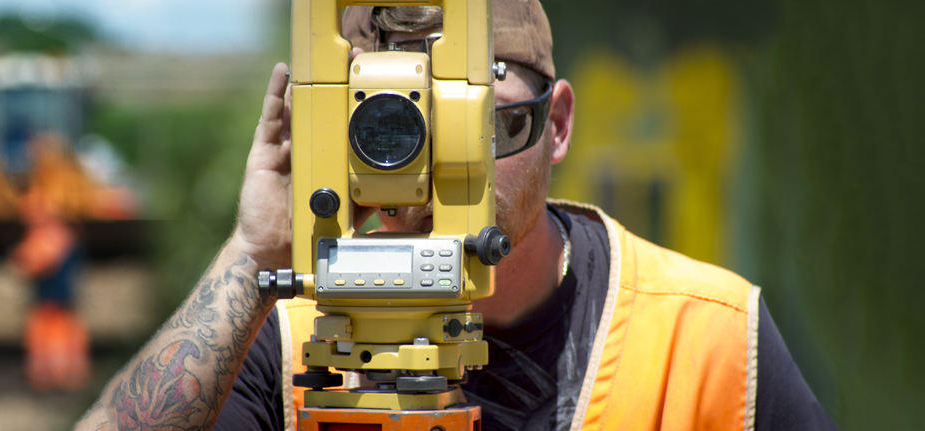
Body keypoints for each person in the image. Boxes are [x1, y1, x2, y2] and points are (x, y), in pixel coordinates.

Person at [76, 1, 837, 430]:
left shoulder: (705, 335)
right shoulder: (289, 331)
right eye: (390, 130)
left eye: (476, 125)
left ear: (558, 123)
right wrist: (251, 253)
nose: (432, 169)